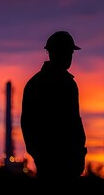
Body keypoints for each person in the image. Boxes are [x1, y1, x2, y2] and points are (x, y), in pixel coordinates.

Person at [20, 31, 87, 188]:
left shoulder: (35, 84)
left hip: (57, 161)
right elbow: (72, 123)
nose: (69, 57)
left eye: (70, 52)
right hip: (57, 162)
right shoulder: (64, 85)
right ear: (54, 53)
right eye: (67, 52)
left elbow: (74, 123)